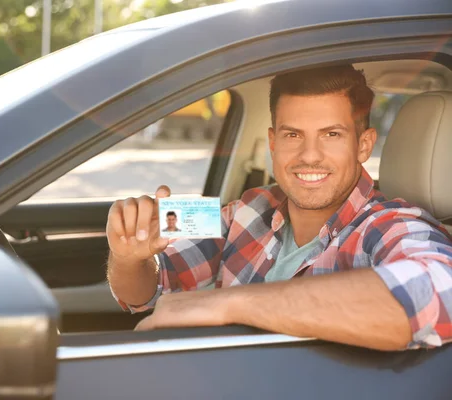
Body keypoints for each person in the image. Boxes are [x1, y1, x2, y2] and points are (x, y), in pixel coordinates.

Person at [106, 65, 452, 351]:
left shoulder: (390, 224)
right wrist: (128, 254)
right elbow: (148, 292)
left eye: (331, 135)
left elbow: (440, 293)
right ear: (273, 142)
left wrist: (232, 303)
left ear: (363, 145)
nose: (310, 155)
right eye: (293, 135)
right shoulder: (247, 208)